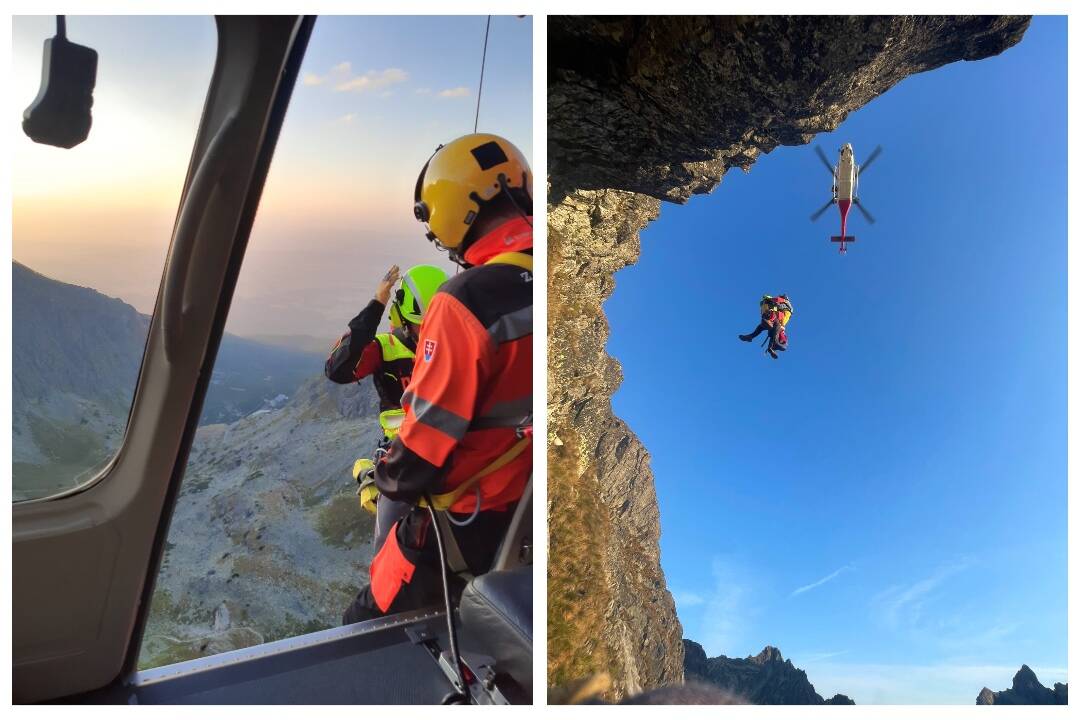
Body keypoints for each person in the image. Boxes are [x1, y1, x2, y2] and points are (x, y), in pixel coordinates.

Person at [342, 133, 533, 623]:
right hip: (525, 514)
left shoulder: (465, 301)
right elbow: (342, 366)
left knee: (361, 625)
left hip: (467, 520)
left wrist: (379, 479)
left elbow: (422, 451)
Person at [325, 263, 448, 547]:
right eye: (423, 323)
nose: (431, 331)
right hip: (402, 456)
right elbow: (337, 368)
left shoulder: (453, 345)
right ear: (403, 319)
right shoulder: (385, 348)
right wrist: (375, 306)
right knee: (389, 543)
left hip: (448, 447)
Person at [739, 294, 793, 359]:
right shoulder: (787, 308)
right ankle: (771, 347)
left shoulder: (784, 302)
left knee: (767, 326)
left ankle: (751, 336)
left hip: (777, 320)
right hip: (779, 322)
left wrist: (769, 299)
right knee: (772, 330)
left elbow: (776, 300)